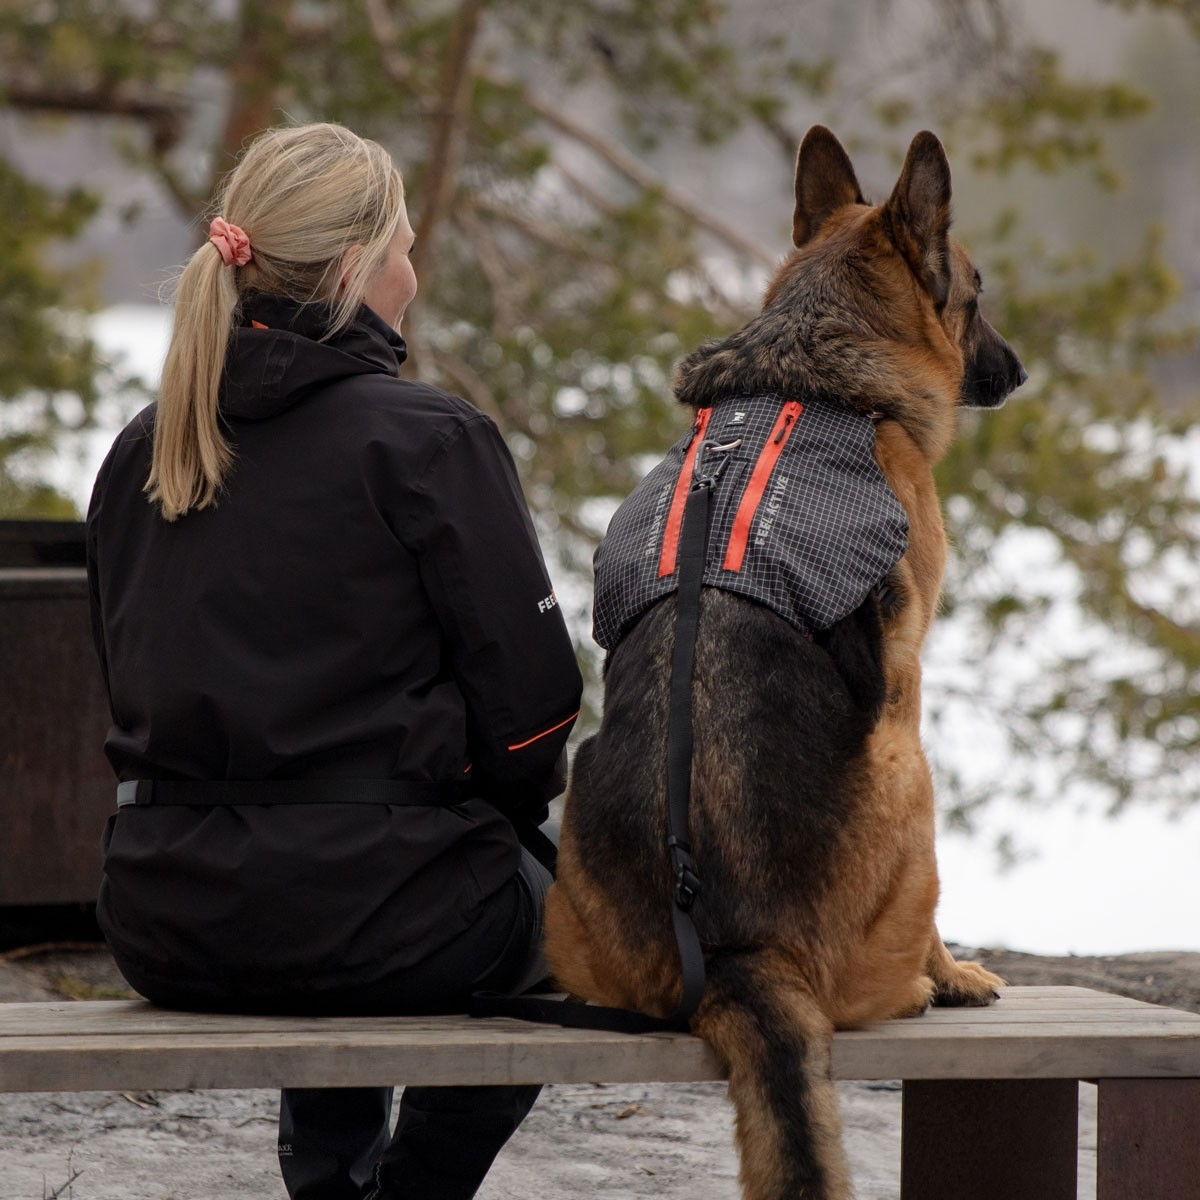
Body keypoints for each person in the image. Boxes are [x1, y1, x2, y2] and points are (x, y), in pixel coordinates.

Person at [85, 122, 582, 1200]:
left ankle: (332, 1188)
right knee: (573, 928)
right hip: (383, 913)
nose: (415, 270)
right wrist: (464, 795)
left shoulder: (140, 451)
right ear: (359, 270)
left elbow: (122, 687)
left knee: (357, 857)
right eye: (404, 247)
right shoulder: (431, 442)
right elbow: (537, 716)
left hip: (161, 919)